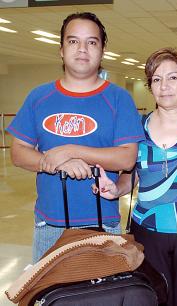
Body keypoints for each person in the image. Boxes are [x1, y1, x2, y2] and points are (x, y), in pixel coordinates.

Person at [6, 12, 144, 263]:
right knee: (51, 300)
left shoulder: (118, 99)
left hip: (103, 224)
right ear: (61, 49)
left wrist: (71, 150)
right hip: (50, 225)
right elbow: (18, 152)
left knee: (103, 301)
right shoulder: (39, 97)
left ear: (102, 51)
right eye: (73, 41)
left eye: (92, 42)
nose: (82, 49)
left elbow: (127, 157)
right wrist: (59, 162)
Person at [93, 47, 177, 306]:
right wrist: (116, 189)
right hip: (147, 233)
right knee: (151, 300)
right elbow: (130, 177)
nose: (164, 86)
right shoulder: (137, 127)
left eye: (173, 77)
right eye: (157, 79)